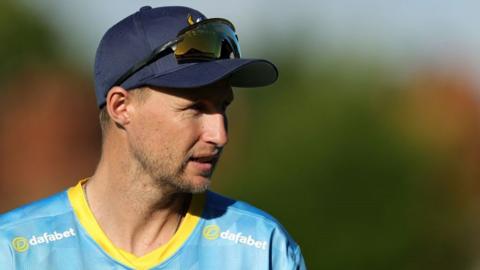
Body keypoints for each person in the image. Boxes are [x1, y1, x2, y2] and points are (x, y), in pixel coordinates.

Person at [0, 6, 306, 270]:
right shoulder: (15, 250)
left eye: (222, 107)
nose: (220, 134)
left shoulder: (261, 248)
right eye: (195, 108)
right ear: (121, 107)